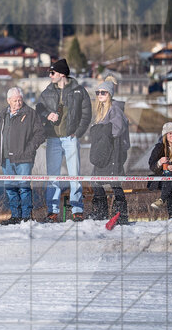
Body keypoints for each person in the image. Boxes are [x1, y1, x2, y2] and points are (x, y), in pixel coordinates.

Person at [35, 58, 92, 222]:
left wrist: (78, 133)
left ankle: (77, 210)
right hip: (53, 139)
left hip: (70, 138)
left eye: (52, 72)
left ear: (61, 74)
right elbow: (39, 109)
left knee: (75, 174)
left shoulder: (79, 91)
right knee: (53, 176)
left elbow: (86, 115)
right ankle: (52, 211)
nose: (50, 75)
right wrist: (47, 115)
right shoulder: (47, 92)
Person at [0, 87, 45, 224]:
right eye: (14, 100)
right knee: (10, 187)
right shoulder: (3, 115)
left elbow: (40, 134)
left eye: (20, 100)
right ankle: (15, 215)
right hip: (6, 158)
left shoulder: (31, 114)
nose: (17, 103)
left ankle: (26, 216)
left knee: (24, 187)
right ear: (8, 100)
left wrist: (29, 149)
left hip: (24, 158)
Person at [86, 78, 130, 224]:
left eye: (103, 92)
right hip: (103, 153)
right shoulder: (101, 111)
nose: (100, 95)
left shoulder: (115, 109)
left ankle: (121, 214)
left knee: (115, 183)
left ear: (110, 94)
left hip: (114, 152)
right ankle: (101, 211)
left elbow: (117, 130)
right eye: (98, 92)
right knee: (96, 182)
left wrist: (101, 130)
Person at [149, 122, 172, 219]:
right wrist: (160, 162)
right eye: (170, 133)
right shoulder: (159, 147)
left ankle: (162, 200)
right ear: (165, 135)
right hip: (162, 179)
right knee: (171, 182)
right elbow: (152, 166)